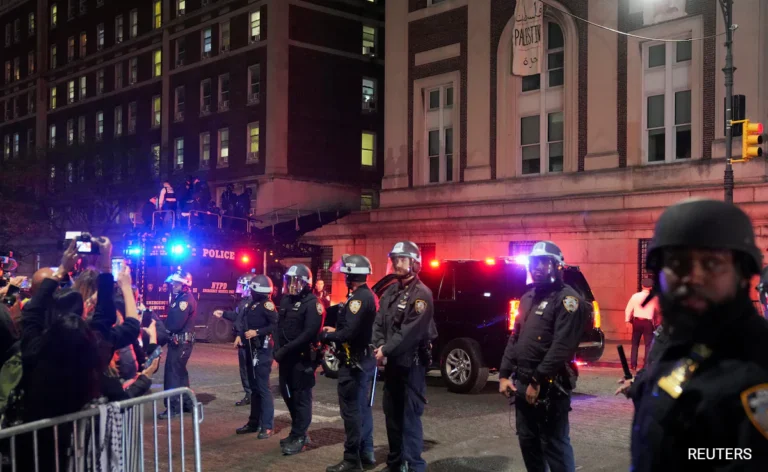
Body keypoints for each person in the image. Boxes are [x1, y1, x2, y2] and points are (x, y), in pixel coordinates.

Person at [630, 198, 768, 471]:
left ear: (742, 274)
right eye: (679, 264)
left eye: (712, 264)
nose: (693, 277)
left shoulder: (757, 367)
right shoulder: (682, 342)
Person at [498, 240, 587, 472]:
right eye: (534, 263)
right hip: (523, 382)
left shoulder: (568, 299)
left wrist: (538, 380)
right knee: (528, 442)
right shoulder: (528, 297)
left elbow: (562, 346)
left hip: (550, 385)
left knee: (554, 444)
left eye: (543, 263)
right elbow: (515, 337)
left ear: (558, 266)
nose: (537, 268)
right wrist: (505, 374)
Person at [372, 241, 437, 472]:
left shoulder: (422, 295)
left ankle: (413, 465)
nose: (397, 264)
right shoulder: (391, 291)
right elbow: (379, 322)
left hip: (411, 367)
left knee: (409, 418)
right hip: (393, 366)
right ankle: (395, 462)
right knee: (392, 416)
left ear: (414, 263)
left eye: (402, 259)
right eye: (395, 259)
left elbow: (409, 332)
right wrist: (379, 346)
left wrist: (385, 350)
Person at [320, 255, 378, 472]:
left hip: (354, 363)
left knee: (351, 412)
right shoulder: (367, 295)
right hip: (363, 360)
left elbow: (349, 332)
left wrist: (326, 337)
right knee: (363, 409)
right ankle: (366, 452)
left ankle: (352, 459)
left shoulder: (357, 299)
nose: (344, 277)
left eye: (346, 273)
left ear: (352, 275)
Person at [216, 274, 278, 438]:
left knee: (263, 388)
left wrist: (257, 332)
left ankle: (267, 425)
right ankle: (253, 422)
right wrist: (225, 315)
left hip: (263, 351)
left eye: (251, 287)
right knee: (254, 388)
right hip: (252, 350)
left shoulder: (267, 305)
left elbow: (275, 325)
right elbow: (240, 319)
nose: (248, 290)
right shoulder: (252, 304)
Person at [274, 264, 324, 455]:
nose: (292, 286)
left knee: (302, 398)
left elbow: (308, 333)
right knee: (287, 395)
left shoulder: (313, 304)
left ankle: (300, 436)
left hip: (302, 359)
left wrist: (285, 349)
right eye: (290, 282)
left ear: (306, 284)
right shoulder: (286, 300)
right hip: (286, 357)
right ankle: (297, 430)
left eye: (296, 282)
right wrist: (277, 348)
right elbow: (278, 326)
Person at [158, 270, 197, 419]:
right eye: (173, 282)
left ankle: (173, 408)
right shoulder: (181, 298)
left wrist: (159, 328)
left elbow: (174, 324)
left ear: (185, 285)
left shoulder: (184, 301)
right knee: (180, 373)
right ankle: (187, 404)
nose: (173, 285)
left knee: (172, 374)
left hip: (180, 343)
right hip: (181, 343)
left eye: (176, 283)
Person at [218, 273, 256, 406]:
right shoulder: (243, 302)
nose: (240, 288)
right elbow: (236, 316)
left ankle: (253, 394)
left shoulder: (253, 302)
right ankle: (249, 394)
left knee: (250, 369)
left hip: (249, 341)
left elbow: (246, 322)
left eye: (243, 285)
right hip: (242, 340)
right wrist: (223, 314)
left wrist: (240, 334)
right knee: (244, 369)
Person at [624, 277, 660, 372]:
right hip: (648, 322)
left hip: (637, 321)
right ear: (651, 287)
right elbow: (659, 310)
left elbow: (628, 309)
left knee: (635, 343)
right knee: (648, 344)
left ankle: (633, 364)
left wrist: (627, 321)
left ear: (642, 285)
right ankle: (646, 365)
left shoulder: (635, 296)